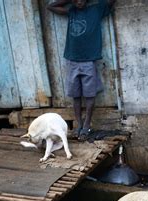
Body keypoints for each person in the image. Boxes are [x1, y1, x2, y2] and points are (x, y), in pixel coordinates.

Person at [48, 0, 116, 141]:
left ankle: (86, 125)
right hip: (72, 60)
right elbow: (50, 6)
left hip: (88, 61)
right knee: (76, 95)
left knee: (90, 95)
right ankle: (79, 125)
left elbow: (111, 2)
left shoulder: (96, 10)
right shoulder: (72, 11)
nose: (79, 1)